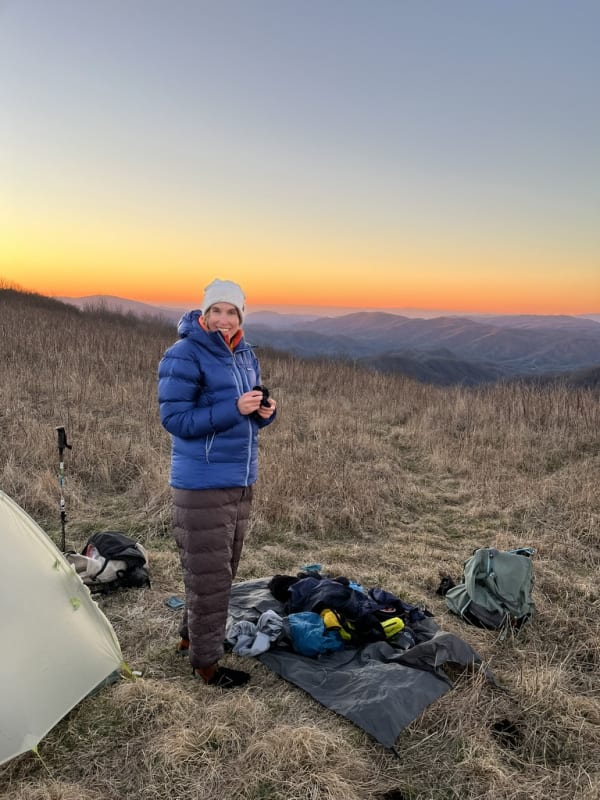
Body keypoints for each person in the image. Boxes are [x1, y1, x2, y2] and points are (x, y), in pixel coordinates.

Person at [158, 278, 277, 688]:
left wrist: (263, 413)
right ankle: (206, 665)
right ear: (204, 313)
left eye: (232, 312)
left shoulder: (244, 354)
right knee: (210, 577)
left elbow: (245, 416)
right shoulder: (184, 354)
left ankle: (190, 638)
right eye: (217, 311)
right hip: (202, 482)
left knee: (216, 573)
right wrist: (233, 408)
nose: (224, 319)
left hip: (239, 479)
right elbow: (176, 420)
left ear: (241, 316)